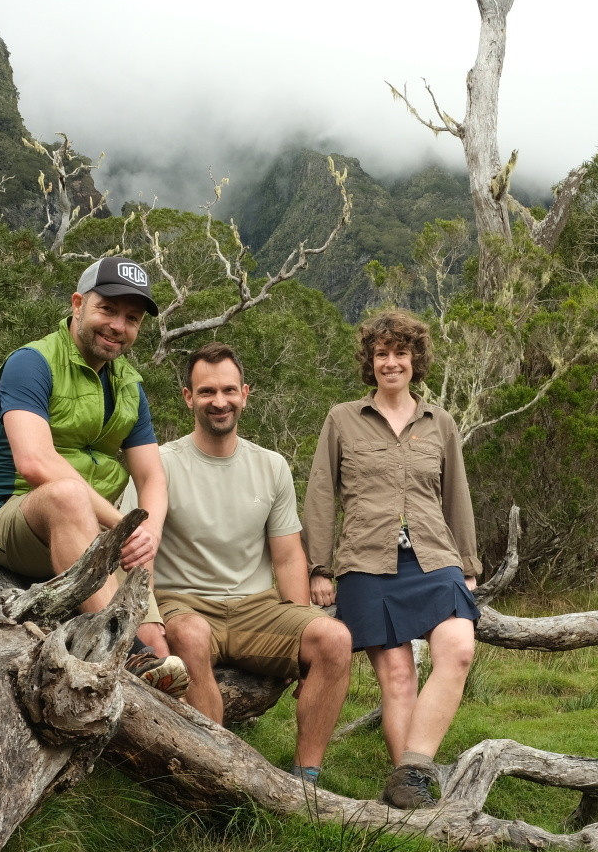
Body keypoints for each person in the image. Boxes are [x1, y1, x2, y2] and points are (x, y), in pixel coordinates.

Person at [303, 309, 481, 810]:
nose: (391, 362)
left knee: (458, 651)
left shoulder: (439, 422)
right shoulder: (342, 420)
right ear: (370, 362)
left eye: (400, 353)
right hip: (366, 564)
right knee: (399, 677)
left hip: (434, 559)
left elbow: (457, 497)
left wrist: (467, 567)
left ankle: (412, 770)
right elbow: (320, 495)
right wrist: (319, 567)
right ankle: (412, 794)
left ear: (415, 359)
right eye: (381, 354)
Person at [152, 342, 354, 778]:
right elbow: (135, 555)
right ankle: (210, 775)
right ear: (188, 397)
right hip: (183, 602)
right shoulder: (160, 465)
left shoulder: (272, 466)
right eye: (206, 392)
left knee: (334, 640)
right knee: (189, 633)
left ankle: (306, 781)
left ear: (246, 393)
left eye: (228, 390)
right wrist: (147, 627)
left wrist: (301, 631)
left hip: (255, 607)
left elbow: (286, 557)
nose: (219, 402)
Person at [0, 256, 177, 688]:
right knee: (66, 493)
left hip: (101, 530)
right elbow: (35, 463)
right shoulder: (33, 362)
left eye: (132, 318)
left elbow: (153, 478)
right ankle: (115, 643)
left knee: (162, 656)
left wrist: (149, 532)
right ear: (78, 304)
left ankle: (149, 708)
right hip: (16, 516)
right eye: (108, 310)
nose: (118, 326)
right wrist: (123, 525)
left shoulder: (129, 385)